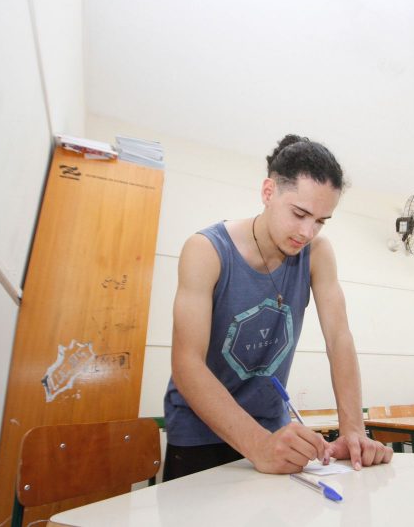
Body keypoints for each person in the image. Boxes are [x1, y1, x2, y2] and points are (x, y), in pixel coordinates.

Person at [162, 134, 393, 481]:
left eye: (320, 221)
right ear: (269, 193)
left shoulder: (317, 254)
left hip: (273, 432)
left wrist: (353, 430)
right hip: (199, 434)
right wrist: (258, 446)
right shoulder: (206, 250)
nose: (307, 232)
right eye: (299, 214)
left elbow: (339, 339)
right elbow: (186, 364)